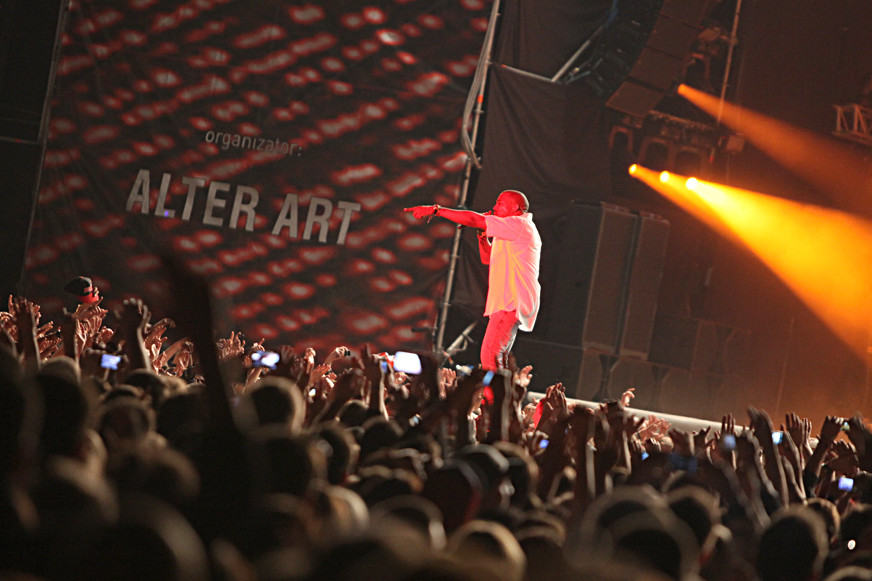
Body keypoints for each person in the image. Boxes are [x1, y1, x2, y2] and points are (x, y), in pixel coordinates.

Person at [405, 190, 542, 370]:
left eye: (499, 202)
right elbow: (487, 258)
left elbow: (472, 218)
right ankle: (503, 395)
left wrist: (436, 210)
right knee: (497, 358)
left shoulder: (520, 224)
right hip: (511, 301)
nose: (494, 207)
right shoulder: (512, 229)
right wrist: (482, 234)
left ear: (515, 207)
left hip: (511, 301)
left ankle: (495, 397)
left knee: (490, 356)